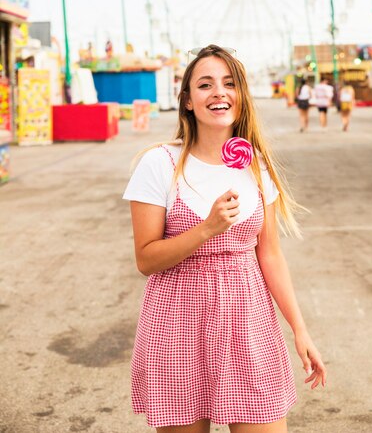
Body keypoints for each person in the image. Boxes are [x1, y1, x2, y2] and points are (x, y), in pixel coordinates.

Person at [123, 45, 326, 433]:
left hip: (248, 320)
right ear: (187, 101)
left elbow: (270, 255)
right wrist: (206, 230)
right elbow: (146, 259)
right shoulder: (159, 163)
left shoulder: (256, 165)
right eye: (205, 84)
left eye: (229, 83)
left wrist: (300, 329)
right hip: (177, 322)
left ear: (241, 96)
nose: (219, 92)